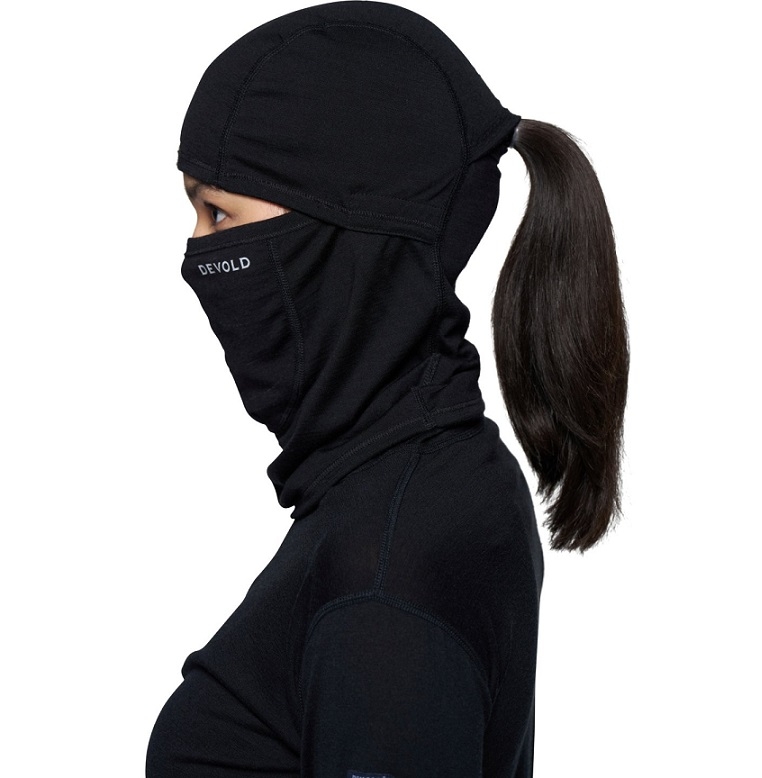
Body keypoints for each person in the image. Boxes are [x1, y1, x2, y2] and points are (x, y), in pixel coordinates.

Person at [145, 1, 629, 776]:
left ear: (351, 236)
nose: (194, 254)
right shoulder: (444, 472)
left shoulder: (383, 579)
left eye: (217, 211)